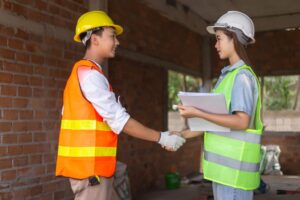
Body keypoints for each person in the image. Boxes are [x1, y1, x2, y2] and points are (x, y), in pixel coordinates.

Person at [55, 10, 185, 200]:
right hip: (91, 171)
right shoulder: (90, 76)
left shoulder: (84, 74)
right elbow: (121, 121)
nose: (117, 42)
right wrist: (162, 138)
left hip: (93, 169)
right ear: (95, 39)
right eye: (112, 36)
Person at [177, 11, 263, 200]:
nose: (215, 45)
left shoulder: (241, 77)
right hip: (226, 174)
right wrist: (182, 135)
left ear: (235, 38)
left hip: (235, 175)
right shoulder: (228, 77)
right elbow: (220, 121)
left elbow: (241, 122)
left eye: (219, 39)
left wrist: (198, 112)